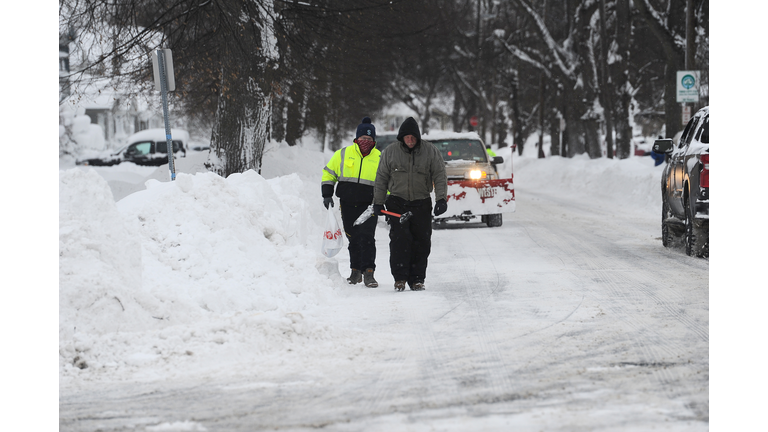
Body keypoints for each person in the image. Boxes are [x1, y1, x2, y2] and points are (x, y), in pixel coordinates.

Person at [372, 117, 447, 292]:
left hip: (422, 202)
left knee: (422, 241)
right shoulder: (390, 152)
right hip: (397, 202)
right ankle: (400, 278)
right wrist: (378, 202)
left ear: (418, 137)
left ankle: (417, 279)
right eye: (407, 137)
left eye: (413, 137)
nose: (410, 140)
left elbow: (440, 175)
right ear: (401, 137)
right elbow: (381, 178)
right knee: (399, 240)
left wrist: (441, 198)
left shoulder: (431, 151)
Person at [321, 117, 382, 287]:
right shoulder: (343, 153)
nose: (365, 142)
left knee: (367, 237)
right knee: (353, 238)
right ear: (356, 139)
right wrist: (327, 193)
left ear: (374, 140)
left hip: (369, 206)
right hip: (347, 204)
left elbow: (388, 182)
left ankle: (369, 272)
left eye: (369, 139)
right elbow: (329, 174)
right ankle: (355, 271)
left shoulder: (380, 158)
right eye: (363, 138)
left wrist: (383, 200)